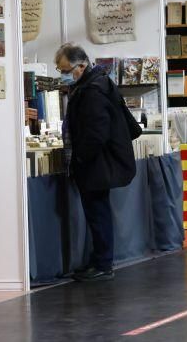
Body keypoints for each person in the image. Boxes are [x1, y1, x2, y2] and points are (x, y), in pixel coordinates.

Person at [56, 43, 137, 282]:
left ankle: (103, 264)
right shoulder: (98, 83)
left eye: (65, 69)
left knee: (97, 212)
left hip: (95, 164)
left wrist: (80, 156)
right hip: (98, 162)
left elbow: (96, 132)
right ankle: (99, 260)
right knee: (96, 212)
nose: (63, 74)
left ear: (81, 66)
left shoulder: (92, 91)